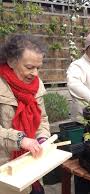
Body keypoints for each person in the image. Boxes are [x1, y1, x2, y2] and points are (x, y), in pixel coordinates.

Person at [0, 34, 51, 194]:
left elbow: (42, 118)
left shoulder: (36, 86)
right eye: (29, 67)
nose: (35, 73)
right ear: (11, 62)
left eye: (38, 68)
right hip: (5, 171)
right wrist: (20, 140)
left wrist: (43, 138)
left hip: (31, 168)